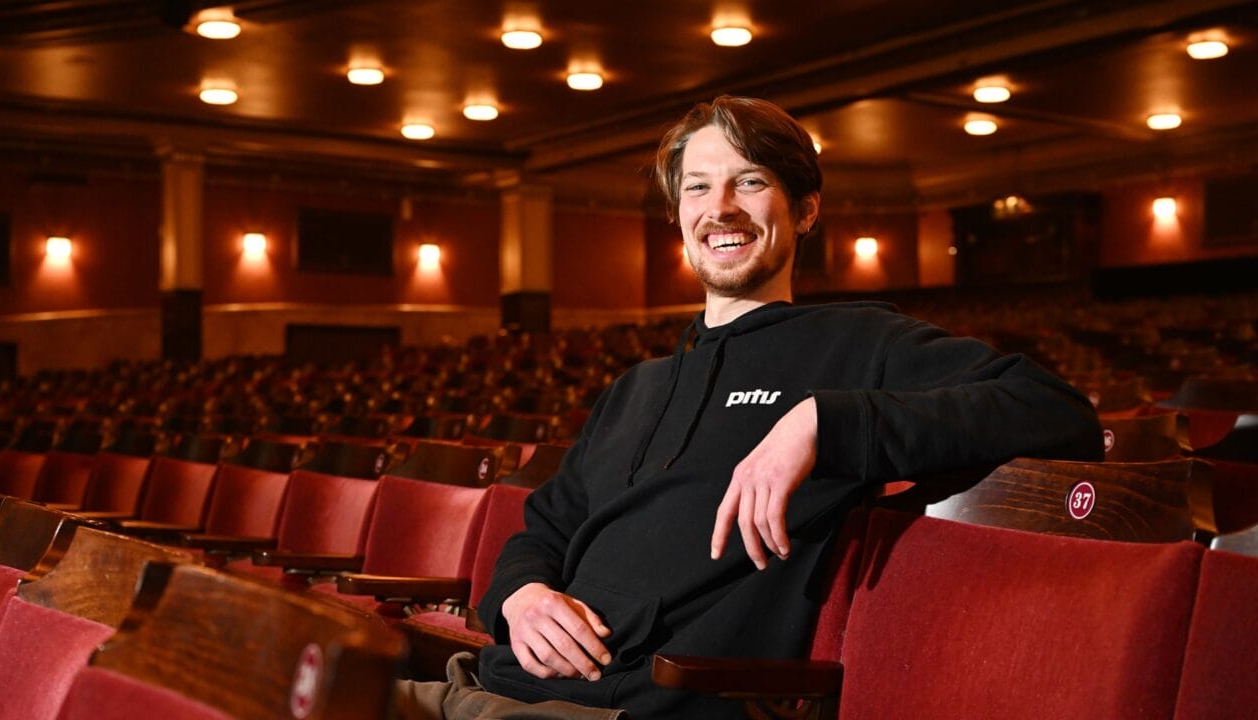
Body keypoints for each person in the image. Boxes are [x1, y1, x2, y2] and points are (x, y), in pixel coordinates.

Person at [399, 95, 1103, 719]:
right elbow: (543, 529)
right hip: (481, 683)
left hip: (621, 708)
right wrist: (520, 597)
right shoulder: (635, 386)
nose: (721, 207)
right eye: (698, 187)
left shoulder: (857, 344)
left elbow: (1058, 411)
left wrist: (825, 422)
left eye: (751, 181)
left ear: (805, 209)